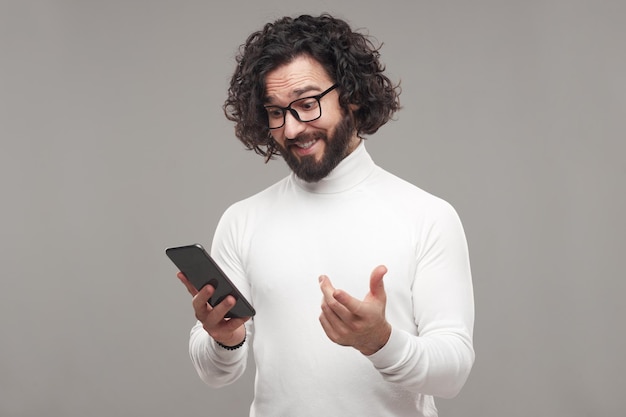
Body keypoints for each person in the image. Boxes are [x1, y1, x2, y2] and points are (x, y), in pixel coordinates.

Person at [176, 13, 475, 417]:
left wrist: (382, 342)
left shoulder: (427, 216)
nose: (293, 128)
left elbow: (452, 373)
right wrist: (223, 338)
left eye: (307, 104)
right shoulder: (242, 220)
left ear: (351, 94)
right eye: (277, 112)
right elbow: (217, 374)